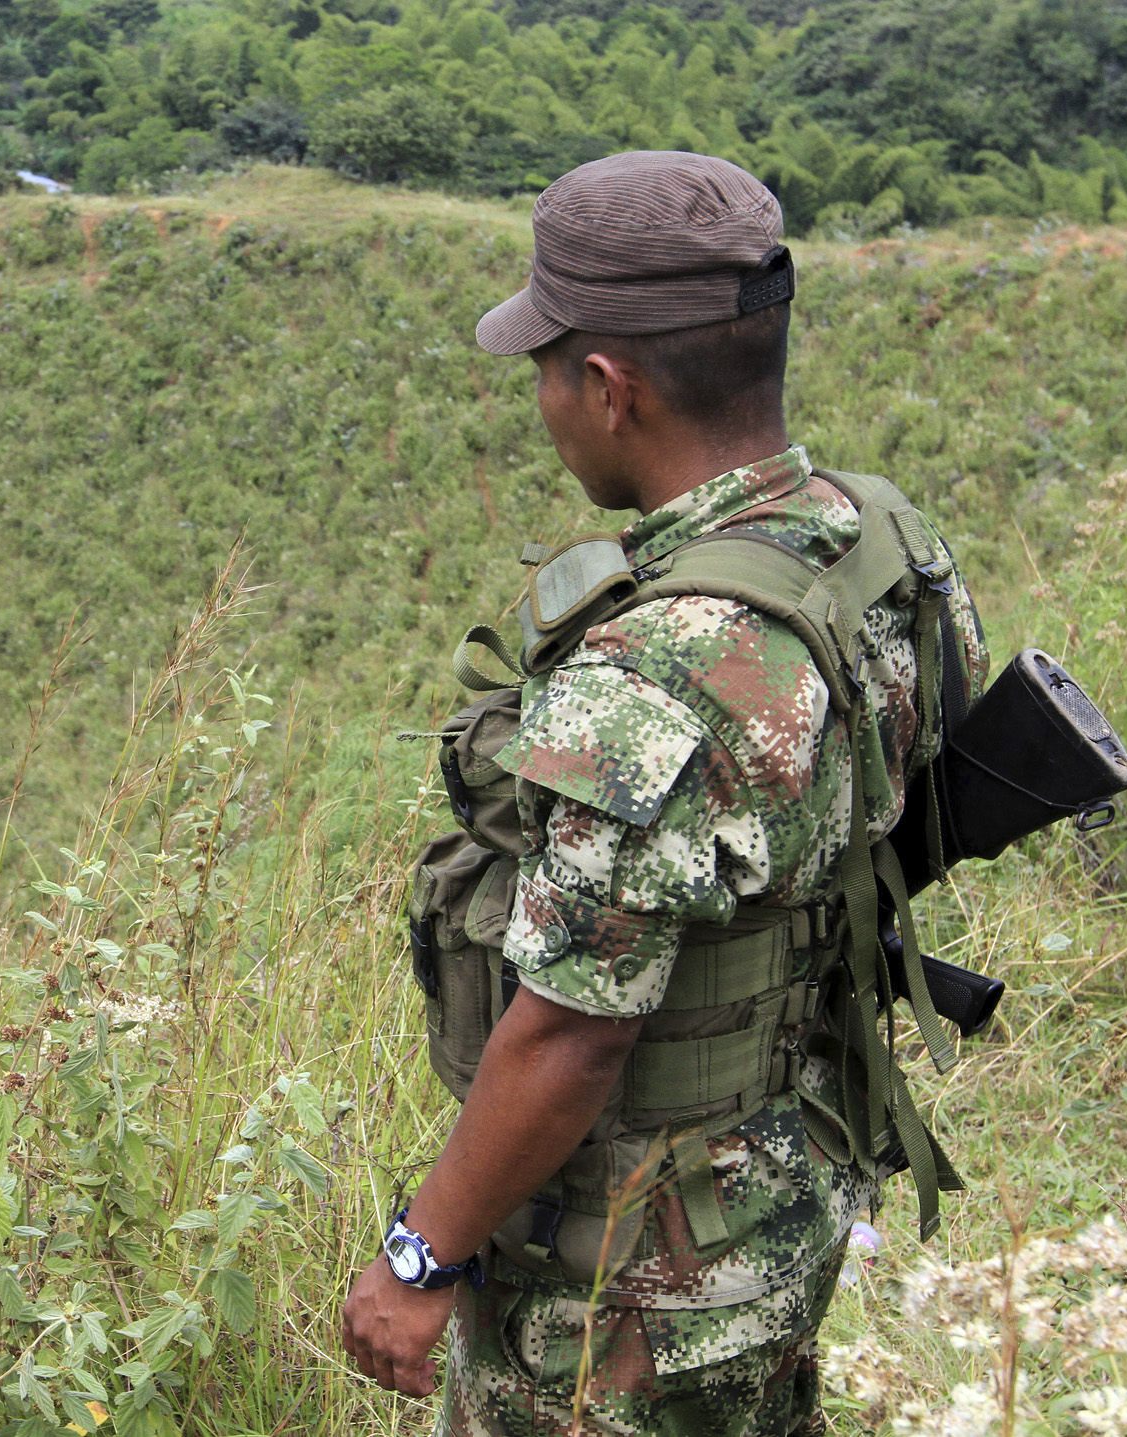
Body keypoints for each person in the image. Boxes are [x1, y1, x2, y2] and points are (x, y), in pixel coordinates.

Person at [337, 150, 987, 1435]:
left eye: (541, 370)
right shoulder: (875, 542)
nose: (539, 403)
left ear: (605, 385)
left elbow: (574, 1030)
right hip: (792, 1176)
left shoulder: (656, 670)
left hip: (636, 1266)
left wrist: (420, 1259)